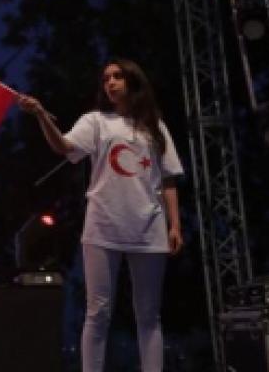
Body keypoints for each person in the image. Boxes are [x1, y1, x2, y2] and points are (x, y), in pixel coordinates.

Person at [18, 58, 183, 372]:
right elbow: (64, 147)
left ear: (133, 81)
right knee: (98, 313)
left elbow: (168, 179)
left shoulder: (155, 126)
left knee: (149, 315)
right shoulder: (95, 121)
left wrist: (175, 225)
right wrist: (41, 115)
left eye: (117, 76)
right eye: (106, 78)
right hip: (103, 225)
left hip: (149, 227)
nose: (111, 83)